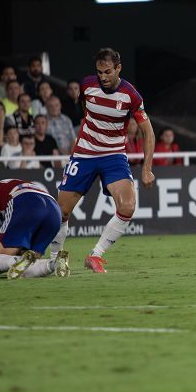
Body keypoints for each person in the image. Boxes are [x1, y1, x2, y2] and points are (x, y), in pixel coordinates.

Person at [52, 48, 155, 274]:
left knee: (128, 206)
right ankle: (54, 260)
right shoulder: (87, 86)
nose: (103, 77)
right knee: (62, 211)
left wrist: (147, 169)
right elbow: (84, 109)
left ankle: (95, 255)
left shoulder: (131, 95)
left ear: (118, 68)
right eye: (99, 72)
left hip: (113, 155)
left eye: (108, 72)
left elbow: (149, 132)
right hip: (84, 153)